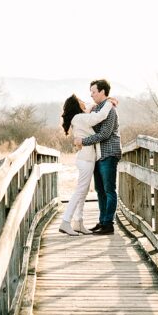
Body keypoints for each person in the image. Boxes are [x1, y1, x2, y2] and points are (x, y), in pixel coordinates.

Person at [57, 94, 112, 235]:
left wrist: (93, 107)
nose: (84, 102)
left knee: (84, 191)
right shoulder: (80, 118)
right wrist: (109, 102)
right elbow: (100, 116)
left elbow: (90, 112)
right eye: (81, 100)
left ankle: (79, 222)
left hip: (86, 158)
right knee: (80, 190)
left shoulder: (79, 118)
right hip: (86, 159)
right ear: (77, 105)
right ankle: (65, 221)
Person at [74, 78, 120, 235]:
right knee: (100, 190)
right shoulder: (96, 109)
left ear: (102, 92)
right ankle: (102, 221)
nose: (91, 94)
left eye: (94, 91)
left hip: (109, 153)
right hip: (97, 155)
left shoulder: (111, 110)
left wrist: (83, 141)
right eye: (91, 92)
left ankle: (109, 224)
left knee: (109, 189)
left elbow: (104, 134)